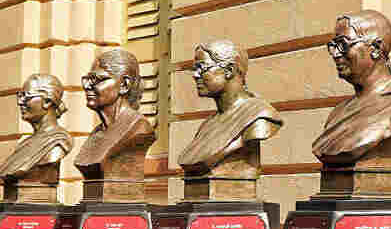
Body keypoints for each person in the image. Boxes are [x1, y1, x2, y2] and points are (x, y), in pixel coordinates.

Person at [312, 11, 391, 166]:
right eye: (333, 46)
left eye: (343, 44)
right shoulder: (337, 113)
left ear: (375, 47)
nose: (335, 53)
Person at [178, 39, 281, 177]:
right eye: (195, 69)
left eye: (202, 67)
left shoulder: (260, 116)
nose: (195, 75)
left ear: (229, 70)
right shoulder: (207, 125)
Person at [74, 48, 154, 181]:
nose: (87, 86)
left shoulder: (139, 128)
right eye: (88, 79)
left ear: (124, 84)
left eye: (96, 79)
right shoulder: (97, 132)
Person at [0, 74, 73, 182]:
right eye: (20, 96)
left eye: (26, 96)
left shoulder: (59, 141)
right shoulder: (24, 144)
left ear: (47, 102)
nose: (20, 102)